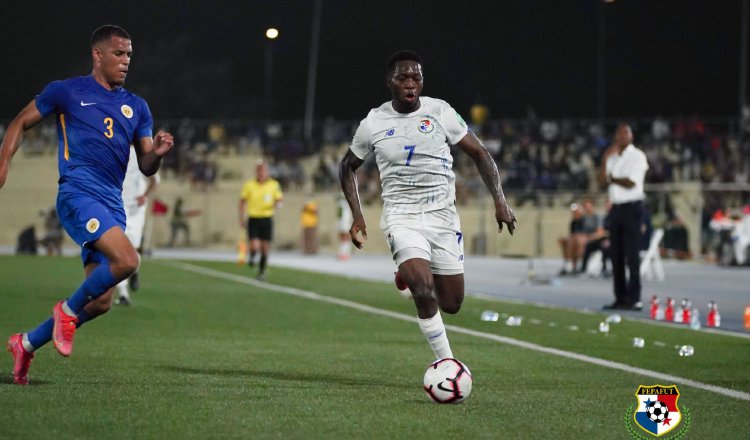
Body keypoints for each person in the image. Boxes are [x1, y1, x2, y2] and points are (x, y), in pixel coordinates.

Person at [0, 25, 174, 385]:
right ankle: (64, 311)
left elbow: (145, 165)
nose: (126, 62)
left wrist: (155, 154)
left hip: (112, 204)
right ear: (98, 55)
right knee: (128, 260)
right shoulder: (67, 92)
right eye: (119, 54)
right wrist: (3, 161)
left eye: (129, 55)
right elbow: (20, 121)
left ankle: (27, 343)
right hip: (79, 194)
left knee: (99, 302)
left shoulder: (137, 107)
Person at [339, 50, 516, 362]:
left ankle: (407, 274)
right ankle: (447, 363)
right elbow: (347, 166)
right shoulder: (374, 122)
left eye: (416, 78)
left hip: (442, 217)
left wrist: (499, 201)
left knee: (451, 303)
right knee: (423, 290)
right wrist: (357, 215)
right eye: (403, 77)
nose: (410, 83)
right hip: (401, 216)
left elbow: (480, 153)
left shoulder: (441, 112)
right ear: (389, 81)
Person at [599, 123, 648, 311]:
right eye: (618, 133)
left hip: (632, 208)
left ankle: (634, 298)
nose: (620, 137)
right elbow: (602, 180)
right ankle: (620, 297)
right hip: (616, 209)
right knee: (616, 255)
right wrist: (604, 160)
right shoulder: (612, 157)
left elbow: (631, 183)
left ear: (631, 136)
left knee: (631, 254)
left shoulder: (638, 156)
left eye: (624, 133)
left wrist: (612, 178)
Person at [115, 145, 160, 305]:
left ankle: (135, 270)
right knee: (121, 250)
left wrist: (144, 196)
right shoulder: (115, 151)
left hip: (136, 210)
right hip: (118, 207)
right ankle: (123, 293)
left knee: (133, 249)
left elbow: (155, 179)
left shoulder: (142, 155)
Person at [239, 160, 283, 281]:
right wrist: (241, 217)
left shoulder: (274, 185)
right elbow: (242, 201)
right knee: (255, 245)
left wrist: (278, 204)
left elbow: (279, 199)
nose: (261, 172)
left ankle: (261, 272)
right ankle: (252, 255)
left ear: (267, 171)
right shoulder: (249, 185)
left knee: (265, 247)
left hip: (267, 218)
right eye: (259, 170)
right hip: (253, 218)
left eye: (263, 170)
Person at [336, 194, 353, 260]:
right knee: (341, 236)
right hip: (341, 220)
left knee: (347, 235)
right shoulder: (341, 201)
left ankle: (346, 252)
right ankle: (341, 251)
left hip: (347, 219)